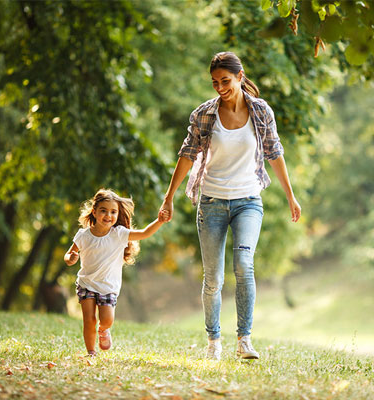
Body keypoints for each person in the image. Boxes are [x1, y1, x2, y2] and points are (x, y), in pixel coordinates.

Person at [159, 52, 301, 360]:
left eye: (226, 80)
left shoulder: (261, 111)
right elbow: (187, 154)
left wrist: (290, 195)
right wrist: (169, 197)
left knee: (244, 265)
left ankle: (244, 340)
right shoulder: (204, 114)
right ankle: (213, 341)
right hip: (211, 202)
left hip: (248, 201)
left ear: (239, 76)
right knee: (213, 279)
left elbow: (274, 152)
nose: (220, 87)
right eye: (215, 82)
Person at [64, 188, 168, 357]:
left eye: (113, 212)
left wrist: (159, 221)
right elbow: (69, 255)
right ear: (94, 211)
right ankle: (91, 352)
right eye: (103, 211)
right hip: (86, 283)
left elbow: (144, 233)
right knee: (89, 320)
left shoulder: (118, 234)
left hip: (108, 286)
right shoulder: (83, 235)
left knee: (106, 320)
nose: (108, 215)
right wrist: (71, 258)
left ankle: (104, 330)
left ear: (118, 214)